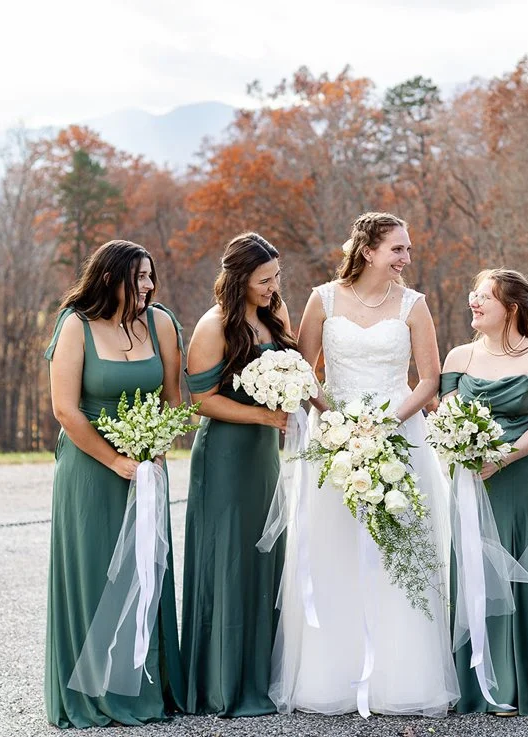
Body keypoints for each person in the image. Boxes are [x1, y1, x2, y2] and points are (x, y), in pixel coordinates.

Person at [270, 212, 460, 716]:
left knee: (399, 553)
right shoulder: (323, 299)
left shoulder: (414, 306)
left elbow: (428, 380)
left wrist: (385, 424)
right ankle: (330, 676)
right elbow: (303, 372)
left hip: (399, 437)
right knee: (333, 550)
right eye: (398, 249)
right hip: (334, 443)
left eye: (408, 249)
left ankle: (402, 679)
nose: (406, 258)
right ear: (369, 250)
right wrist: (335, 421)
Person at [44, 239, 186, 728]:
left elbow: (173, 396)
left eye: (151, 276)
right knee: (95, 572)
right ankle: (93, 693)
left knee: (145, 569)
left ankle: (147, 689)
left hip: (147, 466)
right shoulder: (75, 326)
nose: (150, 286)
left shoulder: (160, 323)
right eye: (140, 277)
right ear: (110, 278)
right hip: (89, 467)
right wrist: (115, 460)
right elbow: (65, 409)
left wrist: (154, 452)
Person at [178, 232, 294, 717]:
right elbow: (201, 401)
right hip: (225, 456)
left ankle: (262, 675)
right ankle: (222, 682)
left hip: (265, 454)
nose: (273, 287)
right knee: (227, 557)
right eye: (265, 280)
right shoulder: (213, 326)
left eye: (276, 277)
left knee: (265, 554)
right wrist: (263, 416)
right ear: (240, 278)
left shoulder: (276, 315)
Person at [440, 269, 528, 717]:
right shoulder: (458, 357)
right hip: (469, 479)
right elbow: (446, 419)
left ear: (511, 308)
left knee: (514, 572)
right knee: (471, 566)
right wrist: (462, 452)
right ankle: (471, 685)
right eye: (473, 293)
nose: (473, 301)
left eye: (483, 296)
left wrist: (500, 458)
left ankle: (514, 684)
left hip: (518, 476)